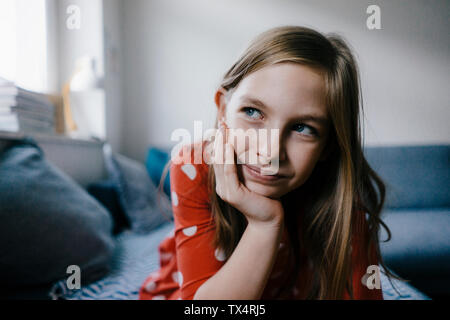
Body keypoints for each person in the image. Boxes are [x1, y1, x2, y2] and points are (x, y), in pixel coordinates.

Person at [139, 25, 399, 300]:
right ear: (223, 109)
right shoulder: (194, 166)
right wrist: (265, 224)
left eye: (303, 128)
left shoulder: (341, 199)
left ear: (328, 146)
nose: (270, 153)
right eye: (252, 112)